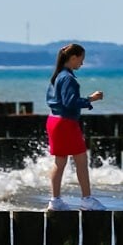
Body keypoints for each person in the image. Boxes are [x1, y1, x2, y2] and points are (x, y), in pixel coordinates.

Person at [45, 43, 105, 212]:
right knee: (81, 161)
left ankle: (55, 201)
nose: (82, 63)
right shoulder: (68, 78)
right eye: (81, 59)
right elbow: (70, 102)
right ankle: (87, 199)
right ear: (73, 58)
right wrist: (90, 99)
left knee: (60, 162)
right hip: (65, 123)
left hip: (54, 120)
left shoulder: (57, 76)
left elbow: (56, 101)